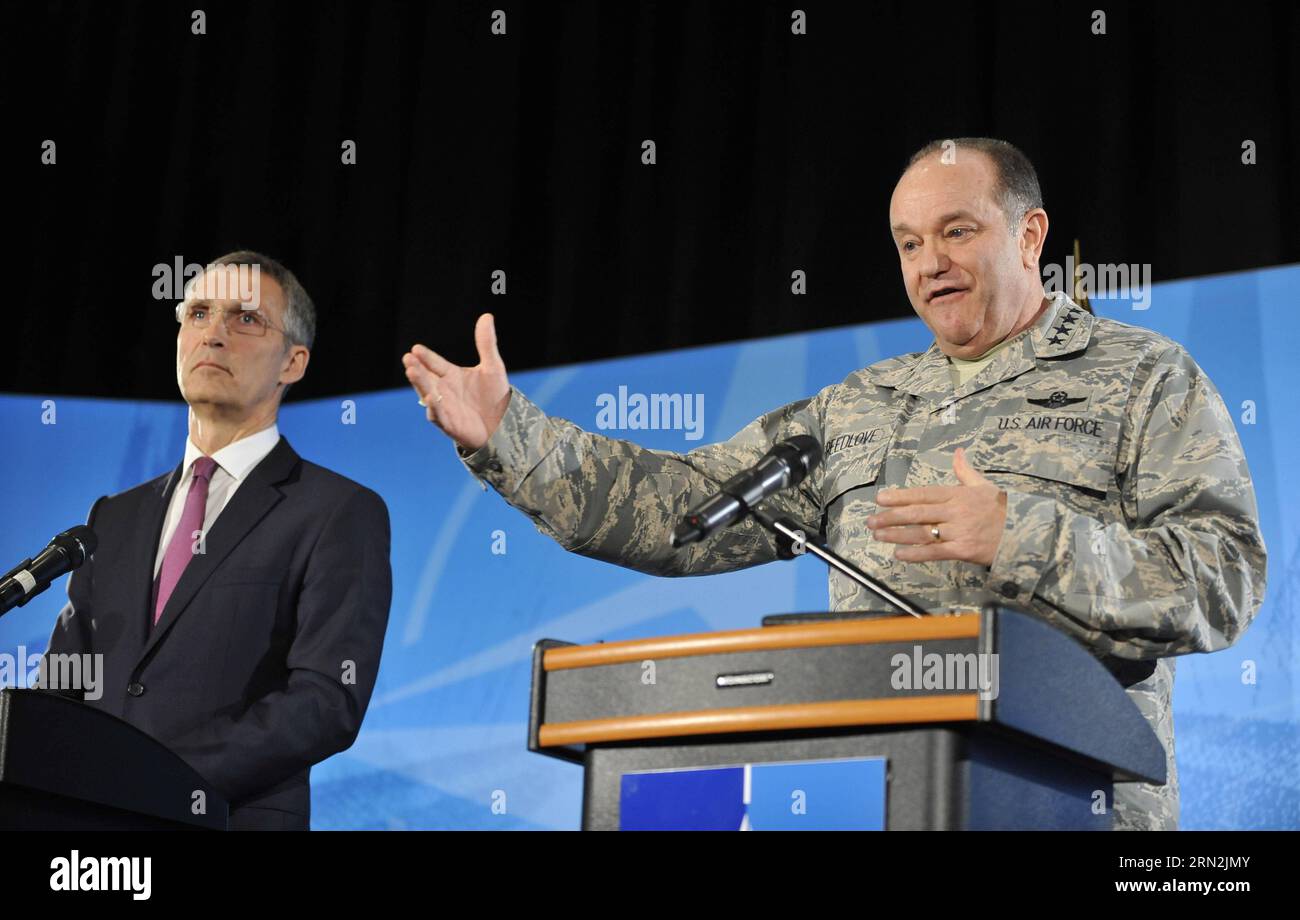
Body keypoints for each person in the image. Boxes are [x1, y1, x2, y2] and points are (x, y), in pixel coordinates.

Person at [401, 138, 1266, 831]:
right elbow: (677, 508)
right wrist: (509, 434)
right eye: (909, 243)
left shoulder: (1147, 376)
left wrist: (1019, 534)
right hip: (880, 795)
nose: (930, 262)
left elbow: (1221, 580)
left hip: (1080, 807)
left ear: (1030, 235)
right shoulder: (858, 406)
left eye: (957, 231)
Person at [45, 251, 392, 830]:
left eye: (246, 319)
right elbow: (66, 681)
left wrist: (154, 779)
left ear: (294, 362)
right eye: (198, 313)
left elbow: (328, 701)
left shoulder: (338, 512)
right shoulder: (113, 517)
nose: (214, 335)